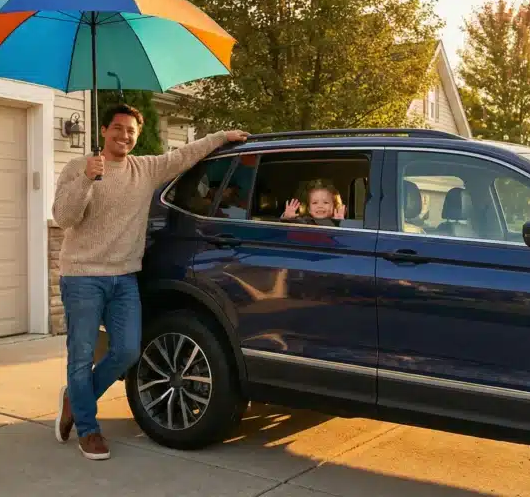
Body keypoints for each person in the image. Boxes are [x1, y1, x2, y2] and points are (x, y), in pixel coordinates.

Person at [51, 104, 248, 460]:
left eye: (131, 131)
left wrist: (221, 137)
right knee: (80, 357)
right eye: (118, 128)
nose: (124, 136)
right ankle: (88, 429)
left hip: (124, 277)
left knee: (128, 351)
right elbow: (64, 218)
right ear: (104, 131)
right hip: (82, 277)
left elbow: (184, 155)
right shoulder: (79, 168)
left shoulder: (145, 169)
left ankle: (76, 398)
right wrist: (86, 180)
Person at [280, 181, 346, 226]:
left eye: (326, 202)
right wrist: (287, 218)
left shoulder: (336, 223)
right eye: (315, 203)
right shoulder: (303, 221)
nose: (320, 206)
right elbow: (287, 230)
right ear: (309, 209)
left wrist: (340, 222)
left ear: (334, 207)